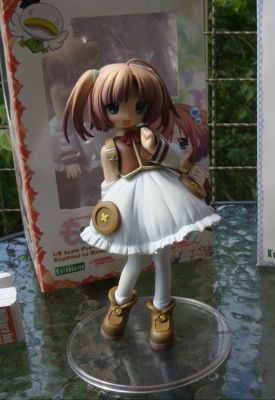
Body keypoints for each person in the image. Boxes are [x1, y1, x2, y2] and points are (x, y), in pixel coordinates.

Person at [63, 59, 220, 350]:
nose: (127, 115)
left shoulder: (151, 136)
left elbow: (177, 160)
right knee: (135, 259)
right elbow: (109, 183)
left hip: (161, 196)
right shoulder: (110, 149)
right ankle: (119, 304)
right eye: (115, 107)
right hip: (129, 201)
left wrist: (156, 147)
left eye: (138, 106)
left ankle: (162, 310)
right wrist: (109, 211)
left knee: (161, 256)